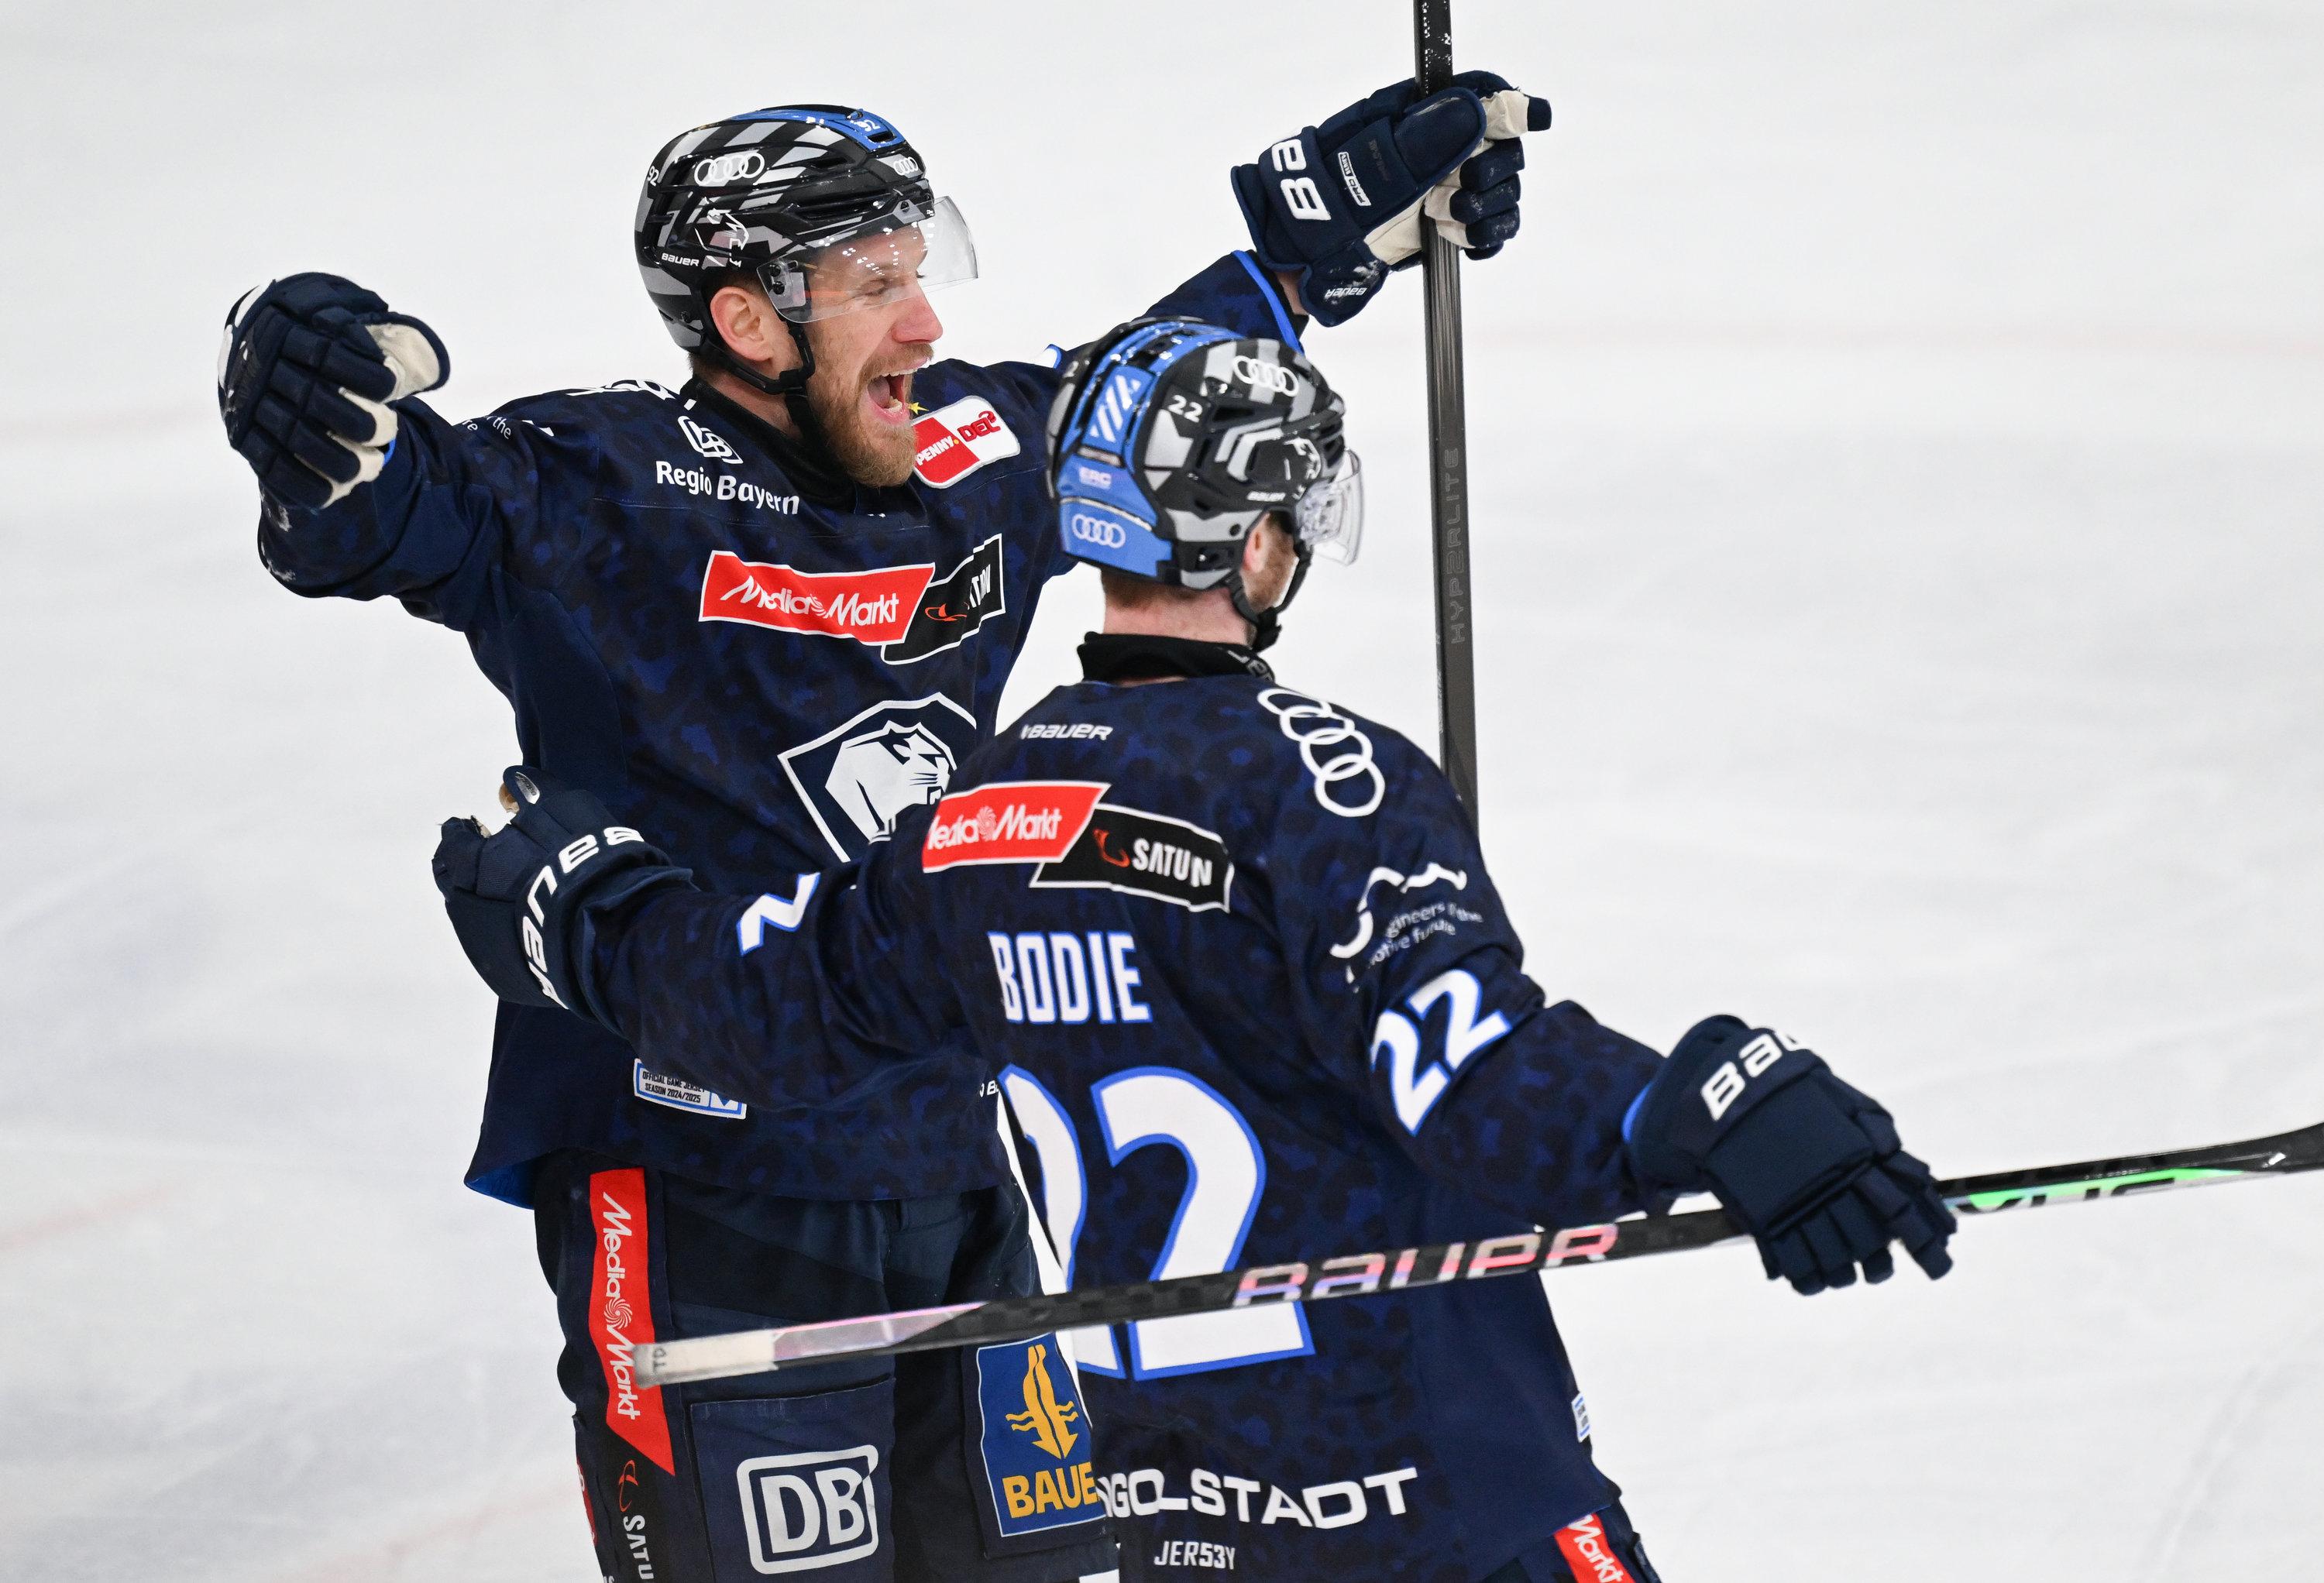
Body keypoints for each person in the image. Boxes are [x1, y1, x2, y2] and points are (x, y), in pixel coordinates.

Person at [217, 81, 1552, 1583]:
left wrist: (1312, 247)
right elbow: (396, 508)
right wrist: (311, 413)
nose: (923, 323)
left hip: (972, 1166)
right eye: (875, 286)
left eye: (921, 273)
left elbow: (1144, 398)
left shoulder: (966, 449)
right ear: (748, 321)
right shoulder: (595, 485)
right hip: (708, 1188)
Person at [432, 321, 1958, 1582]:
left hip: (1175, 1531)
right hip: (1438, 1505)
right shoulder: (1322, 782)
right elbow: (1485, 1079)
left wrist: (589, 913)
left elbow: (769, 1005)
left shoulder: (979, 810)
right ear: (1265, 543)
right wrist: (1712, 1101)